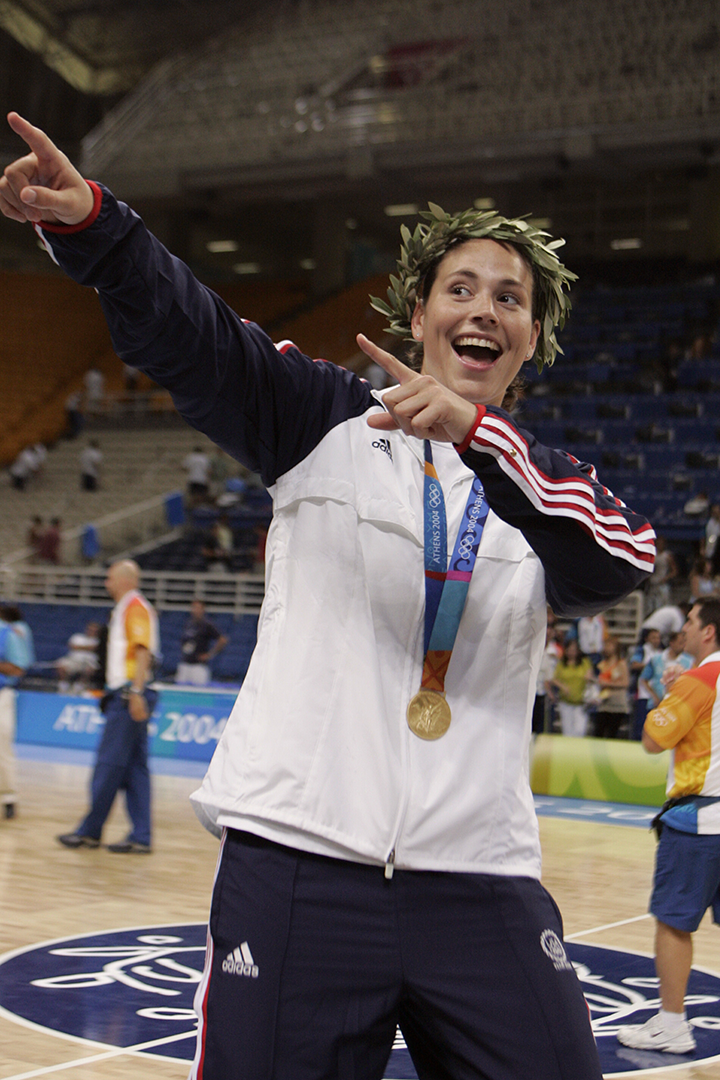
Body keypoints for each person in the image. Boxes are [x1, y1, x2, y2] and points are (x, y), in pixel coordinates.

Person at [0, 113, 657, 1080]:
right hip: (299, 865)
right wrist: (100, 226)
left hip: (479, 877)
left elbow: (620, 564)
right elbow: (199, 338)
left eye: (510, 298)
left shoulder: (546, 484)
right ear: (420, 314)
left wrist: (481, 436)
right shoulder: (322, 420)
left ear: (533, 336)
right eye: (460, 288)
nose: (483, 309)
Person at [617, 597, 720, 1054]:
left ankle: (673, 1024)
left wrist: (670, 691)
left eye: (692, 622)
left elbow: (653, 740)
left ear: (709, 632)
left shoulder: (699, 680)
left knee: (674, 922)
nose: (684, 631)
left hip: (699, 820)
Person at [56, 560, 159, 853]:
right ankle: (141, 836)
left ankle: (89, 832)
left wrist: (136, 692)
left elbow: (142, 651)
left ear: (125, 580)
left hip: (128, 694)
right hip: (132, 692)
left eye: (110, 578)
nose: (106, 583)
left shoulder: (135, 606)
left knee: (109, 764)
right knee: (135, 769)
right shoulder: (125, 608)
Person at [0, 604, 32, 819]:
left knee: (2, 748)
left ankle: (8, 798)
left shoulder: (7, 633)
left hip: (2, 695)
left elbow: (18, 668)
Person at [547, 638, 594, 737]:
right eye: (569, 650)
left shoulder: (584, 662)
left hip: (580, 702)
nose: (571, 653)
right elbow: (554, 678)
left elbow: (590, 676)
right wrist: (563, 686)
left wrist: (588, 677)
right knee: (567, 731)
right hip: (566, 701)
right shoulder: (562, 663)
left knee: (579, 730)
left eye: (574, 650)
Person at [176, 600, 228, 685]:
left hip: (198, 666)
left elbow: (222, 639)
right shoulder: (188, 623)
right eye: (194, 608)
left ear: (203, 609)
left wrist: (210, 654)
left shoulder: (207, 625)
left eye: (198, 608)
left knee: (198, 692)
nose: (195, 610)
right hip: (185, 663)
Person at [638, 629, 693, 710]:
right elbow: (643, 679)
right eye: (680, 643)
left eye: (684, 643)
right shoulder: (656, 659)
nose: (683, 646)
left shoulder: (689, 661)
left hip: (678, 705)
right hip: (657, 705)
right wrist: (654, 696)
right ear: (672, 643)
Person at [592, 635, 630, 739]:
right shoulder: (603, 664)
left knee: (612, 734)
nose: (606, 648)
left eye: (609, 645)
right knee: (598, 732)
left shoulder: (621, 664)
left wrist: (608, 684)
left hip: (617, 703)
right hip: (604, 702)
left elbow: (625, 683)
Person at [629, 627, 663, 739]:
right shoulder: (642, 650)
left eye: (658, 638)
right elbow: (634, 664)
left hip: (656, 693)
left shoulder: (661, 653)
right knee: (640, 722)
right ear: (646, 638)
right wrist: (650, 665)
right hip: (643, 692)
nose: (656, 640)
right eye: (653, 637)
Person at [55, 621, 101, 693]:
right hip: (73, 660)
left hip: (88, 661)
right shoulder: (77, 637)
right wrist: (87, 648)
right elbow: (72, 646)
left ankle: (79, 686)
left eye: (94, 630)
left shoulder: (98, 640)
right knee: (61, 665)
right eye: (90, 629)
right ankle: (63, 685)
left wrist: (79, 647)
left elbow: (94, 648)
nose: (92, 631)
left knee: (90, 669)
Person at [645, 535, 678, 614]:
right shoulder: (653, 555)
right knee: (651, 605)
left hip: (662, 584)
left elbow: (674, 571)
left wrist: (665, 578)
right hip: (652, 584)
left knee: (663, 605)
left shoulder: (667, 556)